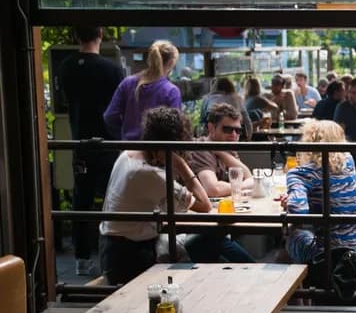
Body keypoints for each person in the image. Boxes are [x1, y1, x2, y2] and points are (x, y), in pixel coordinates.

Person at [99, 107, 211, 284]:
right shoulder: (149, 174)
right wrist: (181, 165)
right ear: (169, 146)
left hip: (112, 250)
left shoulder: (128, 155)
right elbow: (205, 204)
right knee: (208, 241)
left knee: (198, 243)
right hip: (130, 257)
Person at [59, 26, 125, 275]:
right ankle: (110, 255)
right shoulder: (112, 69)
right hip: (108, 143)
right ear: (100, 35)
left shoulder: (66, 67)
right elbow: (119, 107)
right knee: (113, 199)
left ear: (77, 37)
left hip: (80, 143)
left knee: (81, 199)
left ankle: (81, 259)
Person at [283, 120, 356, 265]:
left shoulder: (301, 173)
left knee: (294, 236)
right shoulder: (348, 161)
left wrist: (295, 199)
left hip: (331, 256)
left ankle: (300, 279)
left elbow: (298, 212)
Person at [182, 103, 256, 264]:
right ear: (211, 128)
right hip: (193, 228)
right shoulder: (202, 149)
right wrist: (242, 185)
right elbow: (213, 189)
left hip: (214, 224)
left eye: (238, 130)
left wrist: (221, 152)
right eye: (227, 129)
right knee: (246, 264)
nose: (234, 134)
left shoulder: (225, 147)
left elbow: (249, 176)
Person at [104, 40, 182, 140]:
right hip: (157, 152)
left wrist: (123, 135)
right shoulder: (171, 91)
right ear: (171, 63)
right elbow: (176, 128)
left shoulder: (127, 83)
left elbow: (109, 116)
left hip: (129, 150)